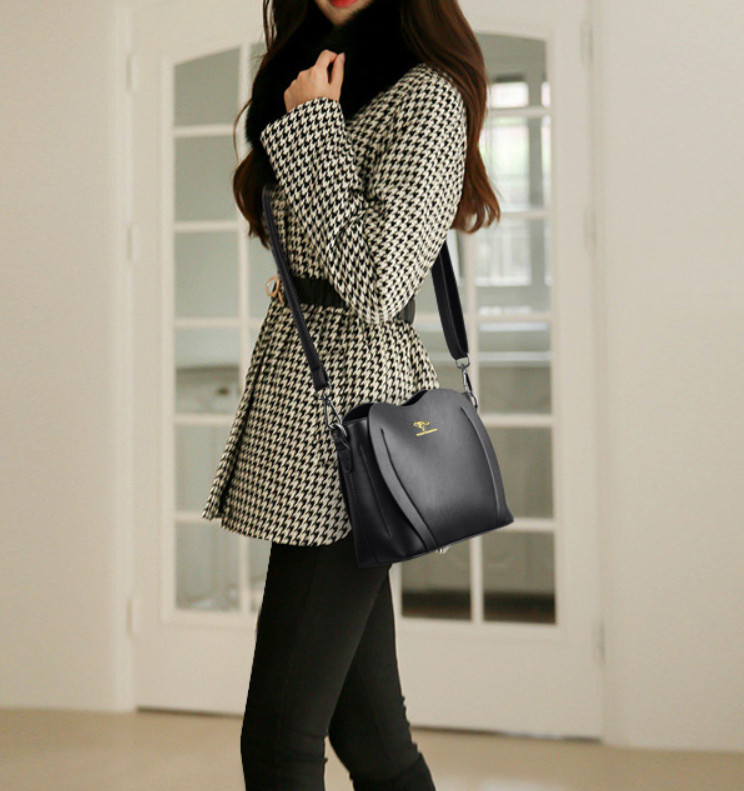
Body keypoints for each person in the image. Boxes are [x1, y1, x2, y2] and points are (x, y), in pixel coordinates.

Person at [200, 0, 501, 787]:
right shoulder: (316, 74)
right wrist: (309, 116)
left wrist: (312, 126)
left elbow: (377, 280)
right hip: (308, 405)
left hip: (354, 424)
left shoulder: (427, 94)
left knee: (280, 739)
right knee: (371, 736)